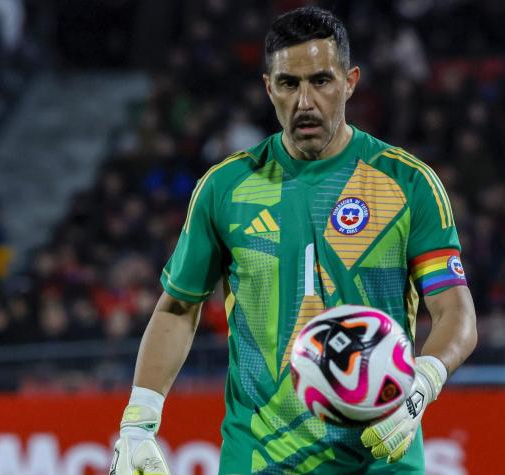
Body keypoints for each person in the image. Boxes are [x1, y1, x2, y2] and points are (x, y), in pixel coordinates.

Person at [110, 6, 477, 474]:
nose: (305, 100)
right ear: (269, 88)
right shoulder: (225, 189)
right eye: (289, 84)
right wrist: (138, 423)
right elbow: (179, 307)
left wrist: (421, 388)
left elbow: (456, 312)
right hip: (259, 459)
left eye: (321, 81)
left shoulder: (407, 183)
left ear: (350, 81)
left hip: (382, 457)